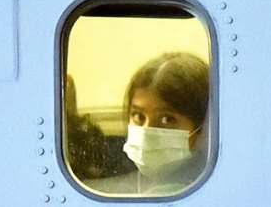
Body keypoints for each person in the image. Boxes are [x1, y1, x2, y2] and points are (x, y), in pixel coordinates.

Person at [86, 52, 209, 196]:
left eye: (166, 119)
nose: (146, 132)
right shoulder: (115, 190)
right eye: (139, 116)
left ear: (204, 127)